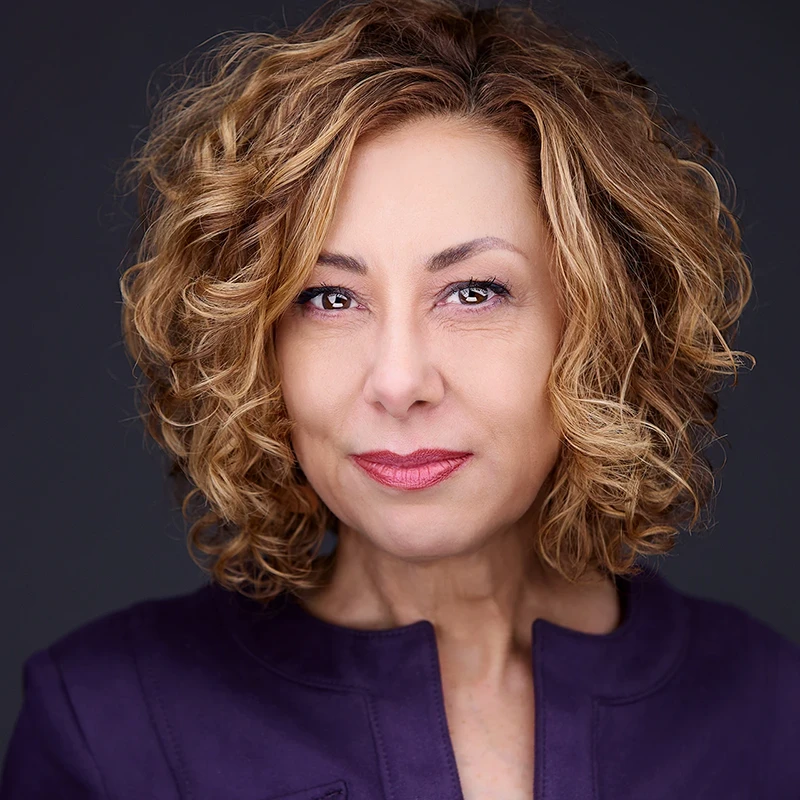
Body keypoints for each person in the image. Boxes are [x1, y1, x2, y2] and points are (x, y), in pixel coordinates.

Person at [2, 0, 798, 797]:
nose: (398, 381)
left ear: (602, 325)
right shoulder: (107, 728)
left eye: (474, 292)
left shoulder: (768, 714)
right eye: (329, 298)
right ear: (252, 343)